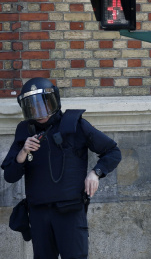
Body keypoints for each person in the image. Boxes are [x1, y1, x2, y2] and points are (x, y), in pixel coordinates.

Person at [1, 77, 122, 258]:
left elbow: (113, 151)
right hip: (39, 213)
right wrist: (23, 152)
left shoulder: (75, 124)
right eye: (32, 107)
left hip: (70, 212)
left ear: (54, 101)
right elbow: (10, 176)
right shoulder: (25, 131)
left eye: (43, 104)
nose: (39, 112)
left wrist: (96, 173)